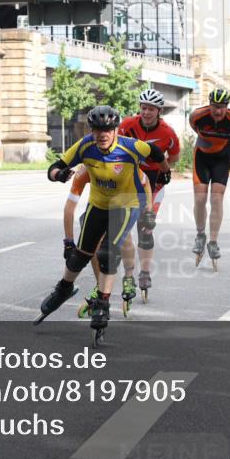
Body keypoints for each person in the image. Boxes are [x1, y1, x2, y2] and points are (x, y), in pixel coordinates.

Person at [38, 106, 169, 343]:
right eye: (97, 129)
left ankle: (103, 302)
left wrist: (165, 172)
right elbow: (53, 167)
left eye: (108, 129)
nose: (102, 134)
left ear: (116, 129)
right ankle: (64, 289)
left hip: (128, 203)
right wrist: (58, 175)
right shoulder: (85, 146)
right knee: (79, 255)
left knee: (108, 252)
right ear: (91, 130)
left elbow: (156, 152)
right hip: (98, 205)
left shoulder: (130, 147)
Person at [62, 165, 153, 317]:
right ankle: (101, 287)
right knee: (91, 241)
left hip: (127, 198)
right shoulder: (85, 170)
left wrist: (149, 210)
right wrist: (69, 242)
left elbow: (146, 182)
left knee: (122, 234)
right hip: (100, 204)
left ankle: (129, 277)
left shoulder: (123, 163)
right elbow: (69, 208)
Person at [118, 88, 180, 302]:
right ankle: (128, 271)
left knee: (145, 226)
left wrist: (164, 170)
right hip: (130, 176)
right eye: (143, 108)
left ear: (158, 111)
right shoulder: (127, 125)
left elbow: (174, 157)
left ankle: (144, 272)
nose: (146, 112)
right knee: (124, 224)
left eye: (151, 109)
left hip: (154, 179)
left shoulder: (167, 132)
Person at [188, 88, 230, 269]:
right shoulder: (198, 115)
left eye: (221, 107)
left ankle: (213, 241)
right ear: (209, 105)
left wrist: (221, 142)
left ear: (227, 107)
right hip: (202, 157)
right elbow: (193, 126)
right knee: (199, 198)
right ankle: (200, 235)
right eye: (214, 107)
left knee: (217, 198)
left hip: (222, 158)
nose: (217, 111)